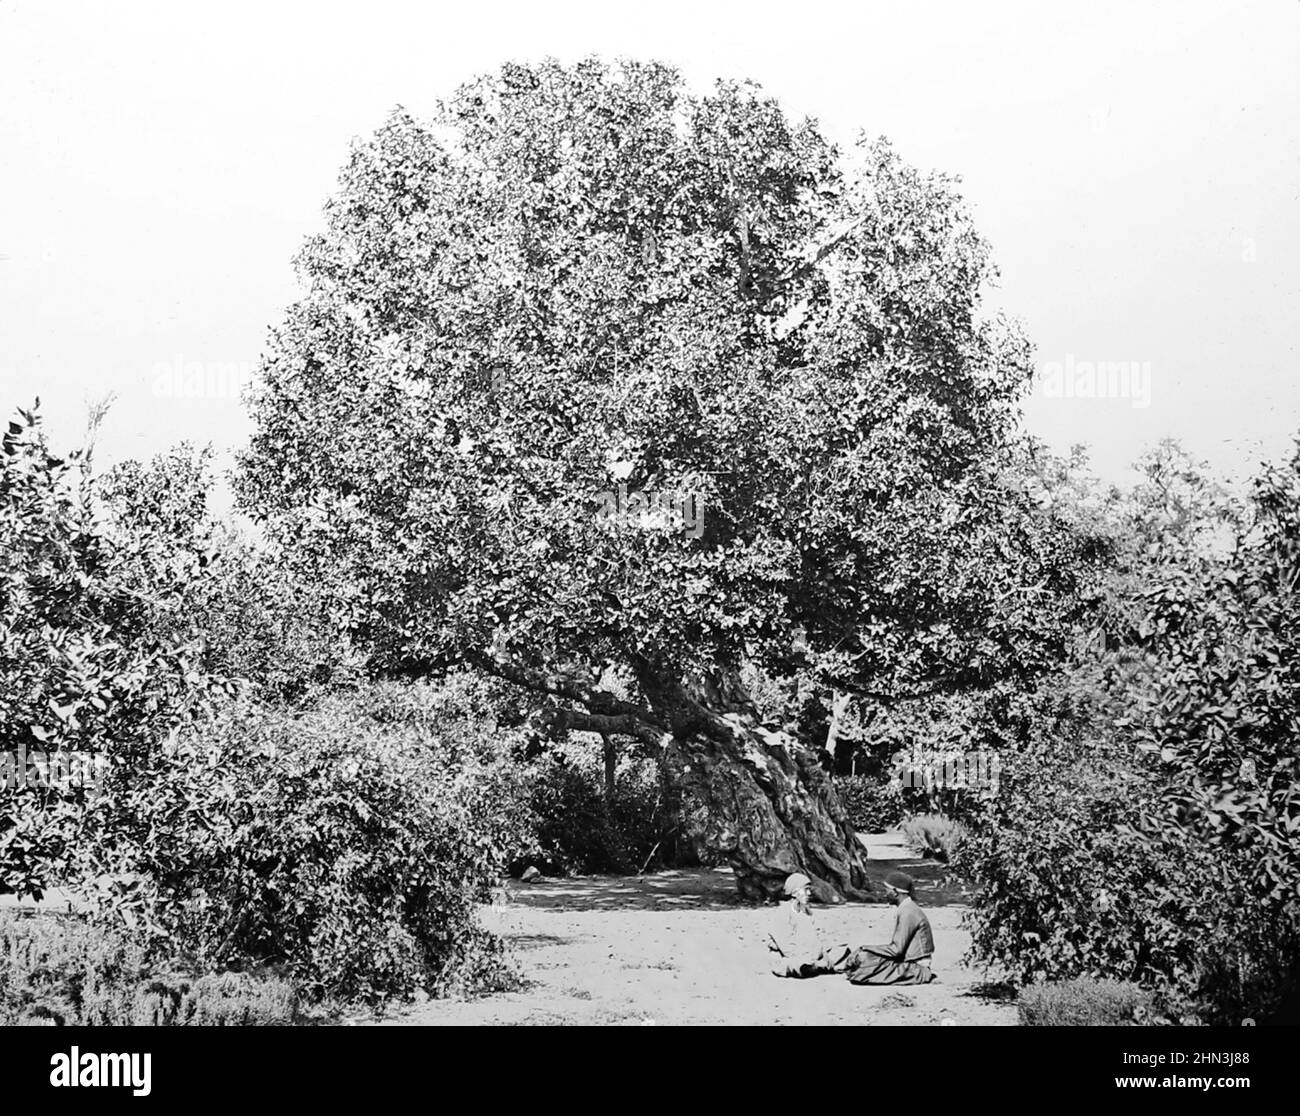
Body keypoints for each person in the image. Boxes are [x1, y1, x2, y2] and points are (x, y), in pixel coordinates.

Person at [845, 871, 938, 985]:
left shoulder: (908, 911)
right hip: (910, 965)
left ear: (895, 892)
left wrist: (865, 948)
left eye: (886, 891)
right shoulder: (907, 908)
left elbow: (896, 950)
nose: (885, 894)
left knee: (864, 961)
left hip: (917, 970)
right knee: (865, 960)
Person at [766, 873, 853, 978]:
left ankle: (819, 966)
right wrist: (812, 955)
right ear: (794, 893)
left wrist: (822, 951)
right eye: (805, 889)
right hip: (794, 957)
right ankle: (820, 966)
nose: (809, 893)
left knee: (842, 950)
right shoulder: (782, 914)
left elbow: (818, 937)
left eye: (809, 890)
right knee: (799, 964)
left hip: (812, 954)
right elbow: (788, 949)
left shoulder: (807, 912)